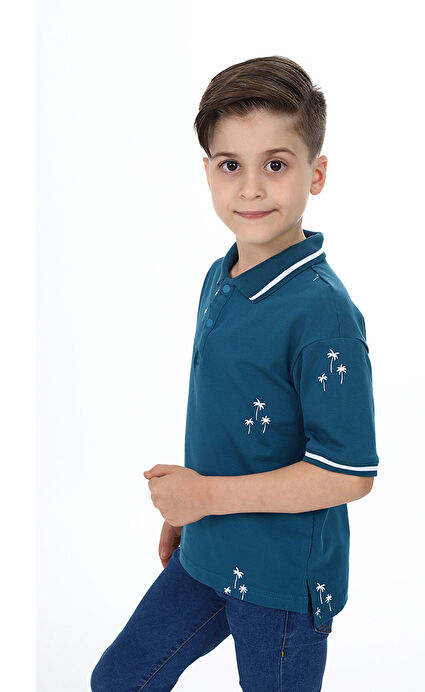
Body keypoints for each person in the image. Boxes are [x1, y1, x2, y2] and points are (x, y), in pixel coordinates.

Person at [90, 55, 380, 692]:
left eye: (275, 165)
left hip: (281, 583)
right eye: (231, 165)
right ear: (208, 173)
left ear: (316, 173)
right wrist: (191, 508)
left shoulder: (324, 316)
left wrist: (206, 498)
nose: (251, 188)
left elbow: (349, 473)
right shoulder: (219, 277)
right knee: (118, 679)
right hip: (208, 549)